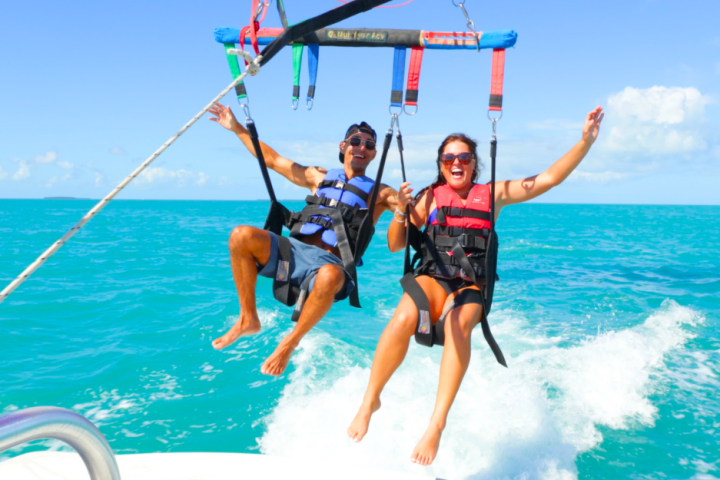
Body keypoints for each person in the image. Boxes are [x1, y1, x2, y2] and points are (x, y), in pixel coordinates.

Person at [347, 106, 605, 465]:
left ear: (473, 164)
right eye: (449, 157)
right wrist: (403, 210)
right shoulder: (429, 197)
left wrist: (585, 142)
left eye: (464, 157)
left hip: (471, 282)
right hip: (434, 275)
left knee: (456, 326)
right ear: (441, 165)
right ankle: (369, 400)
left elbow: (548, 179)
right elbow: (394, 244)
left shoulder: (494, 193)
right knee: (405, 317)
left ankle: (436, 424)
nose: (456, 162)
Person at [207, 103, 398, 376]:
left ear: (374, 154)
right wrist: (237, 127)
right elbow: (272, 160)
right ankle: (248, 317)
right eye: (356, 141)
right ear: (344, 146)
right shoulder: (318, 176)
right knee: (240, 236)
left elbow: (412, 209)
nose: (362, 147)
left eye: (369, 145)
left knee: (331, 275)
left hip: (331, 264)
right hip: (293, 252)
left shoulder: (380, 192)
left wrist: (406, 203)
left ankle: (289, 343)